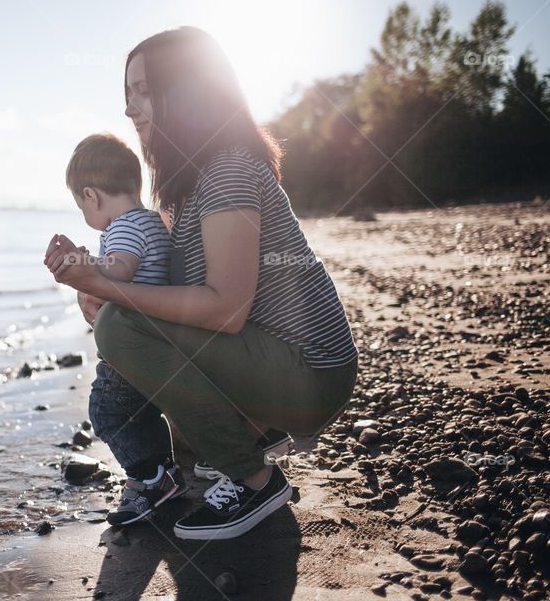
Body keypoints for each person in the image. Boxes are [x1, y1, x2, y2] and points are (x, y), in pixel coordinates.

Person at [45, 27, 358, 541]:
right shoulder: (186, 188)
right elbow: (166, 292)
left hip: (312, 373)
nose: (130, 109)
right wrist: (98, 283)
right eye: (127, 95)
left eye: (143, 91)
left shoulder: (227, 171)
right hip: (272, 361)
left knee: (122, 329)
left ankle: (255, 479)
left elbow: (225, 310)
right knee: (126, 327)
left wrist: (115, 298)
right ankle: (252, 432)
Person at [64, 132, 186, 526]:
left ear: (91, 196)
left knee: (108, 411)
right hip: (158, 343)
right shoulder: (152, 222)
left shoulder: (122, 228)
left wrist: (85, 269)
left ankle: (151, 479)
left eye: (79, 204)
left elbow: (121, 270)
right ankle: (163, 472)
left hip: (133, 347)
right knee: (142, 411)